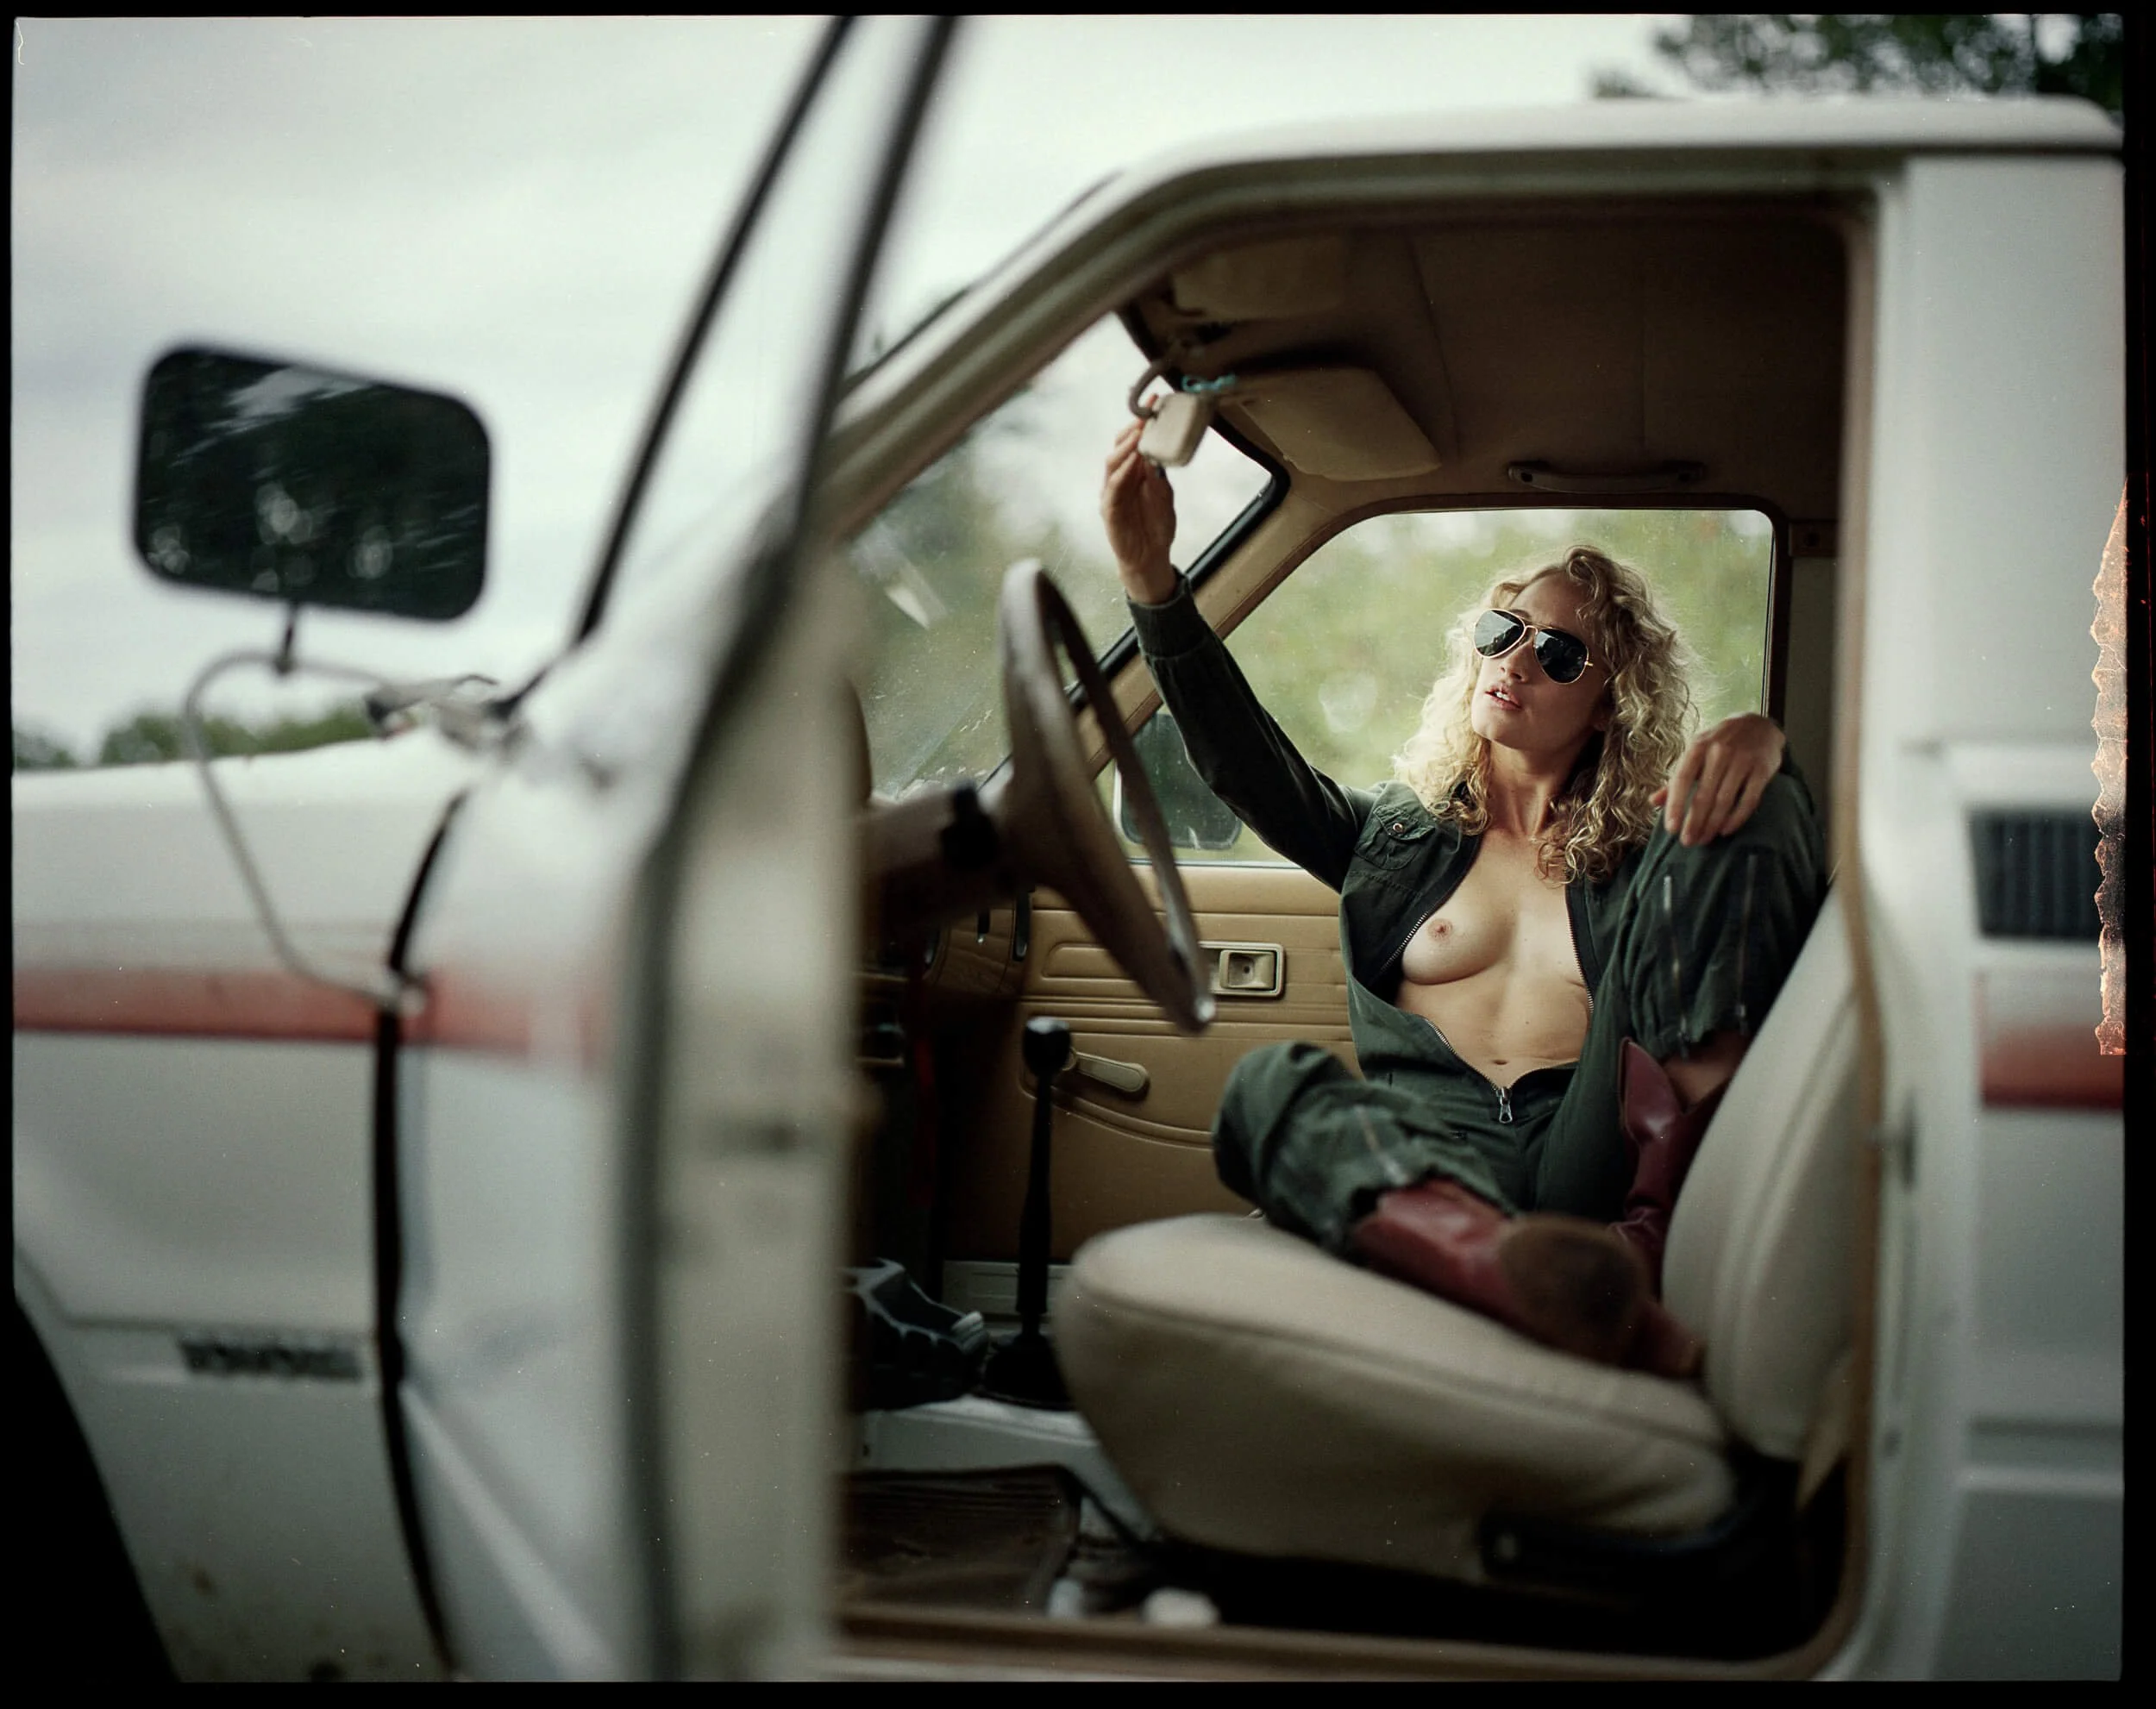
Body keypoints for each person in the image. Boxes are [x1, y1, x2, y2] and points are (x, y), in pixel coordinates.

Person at [1100, 420, 1827, 1378]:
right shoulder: (1395, 840)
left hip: (1586, 1162)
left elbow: (1754, 858)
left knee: (1733, 796)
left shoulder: (1644, 858)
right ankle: (1524, 1280)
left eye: (1560, 654)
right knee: (1268, 1083)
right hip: (1433, 1156)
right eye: (1503, 631)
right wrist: (1154, 581)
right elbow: (1247, 763)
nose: (1516, 661)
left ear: (1611, 701)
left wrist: (1760, 747)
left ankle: (1611, 1254)